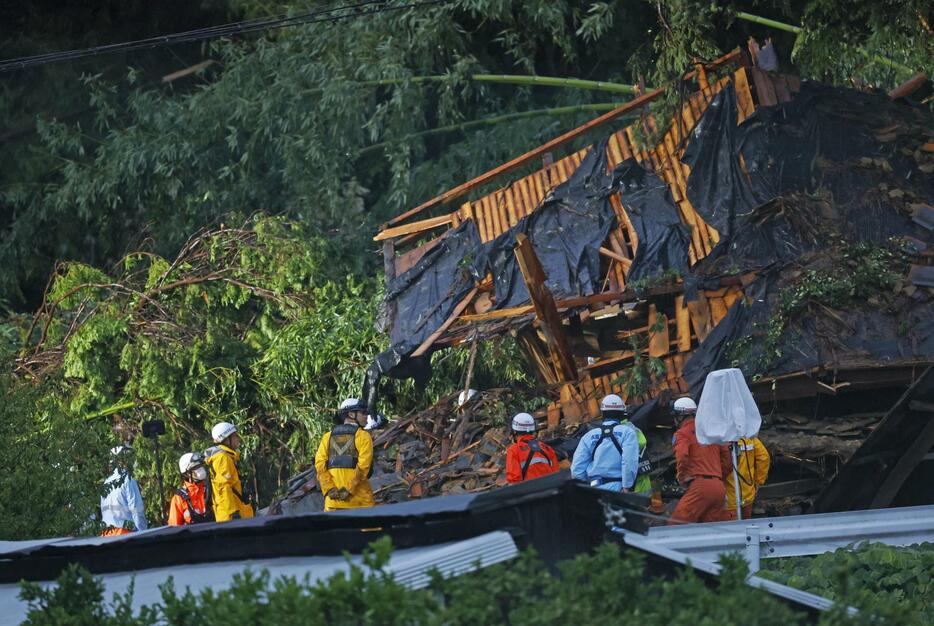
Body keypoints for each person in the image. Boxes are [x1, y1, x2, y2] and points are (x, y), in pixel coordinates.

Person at [669, 396, 731, 524]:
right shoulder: (711, 432)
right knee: (711, 532)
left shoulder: (682, 434)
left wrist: (682, 478)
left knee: (675, 526)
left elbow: (682, 456)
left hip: (700, 486)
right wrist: (717, 478)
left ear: (680, 416)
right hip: (719, 487)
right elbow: (727, 459)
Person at [314, 398, 375, 511]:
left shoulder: (327, 437)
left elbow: (320, 466)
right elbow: (363, 467)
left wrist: (330, 489)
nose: (367, 416)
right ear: (351, 414)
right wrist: (348, 490)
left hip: (333, 504)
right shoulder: (363, 437)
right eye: (363, 413)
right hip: (360, 503)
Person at [571, 394, 640, 492]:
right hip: (618, 488)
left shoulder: (588, 436)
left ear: (603, 412)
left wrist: (585, 489)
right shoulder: (627, 432)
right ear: (621, 412)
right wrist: (626, 486)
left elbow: (576, 469)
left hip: (594, 490)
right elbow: (629, 462)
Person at [205, 422, 254, 522]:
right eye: (235, 435)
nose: (238, 438)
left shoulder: (226, 457)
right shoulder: (223, 458)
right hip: (231, 517)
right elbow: (223, 487)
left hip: (235, 513)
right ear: (226, 440)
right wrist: (233, 512)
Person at [100, 445, 147, 536]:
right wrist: (144, 534)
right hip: (124, 535)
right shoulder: (128, 480)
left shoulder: (106, 483)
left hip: (105, 535)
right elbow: (137, 511)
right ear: (121, 460)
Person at [722, 436, 771, 520]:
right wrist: (758, 480)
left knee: (730, 530)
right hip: (747, 496)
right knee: (746, 527)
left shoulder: (719, 440)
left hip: (728, 500)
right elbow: (764, 457)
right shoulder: (750, 438)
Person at [505, 412, 559, 484]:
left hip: (530, 493)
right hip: (550, 491)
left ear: (514, 431)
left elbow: (514, 480)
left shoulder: (513, 450)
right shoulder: (547, 448)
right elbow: (556, 475)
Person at [168, 452, 214, 526]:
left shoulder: (210, 489)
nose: (200, 470)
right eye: (196, 468)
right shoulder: (179, 498)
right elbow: (174, 528)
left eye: (200, 466)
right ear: (187, 473)